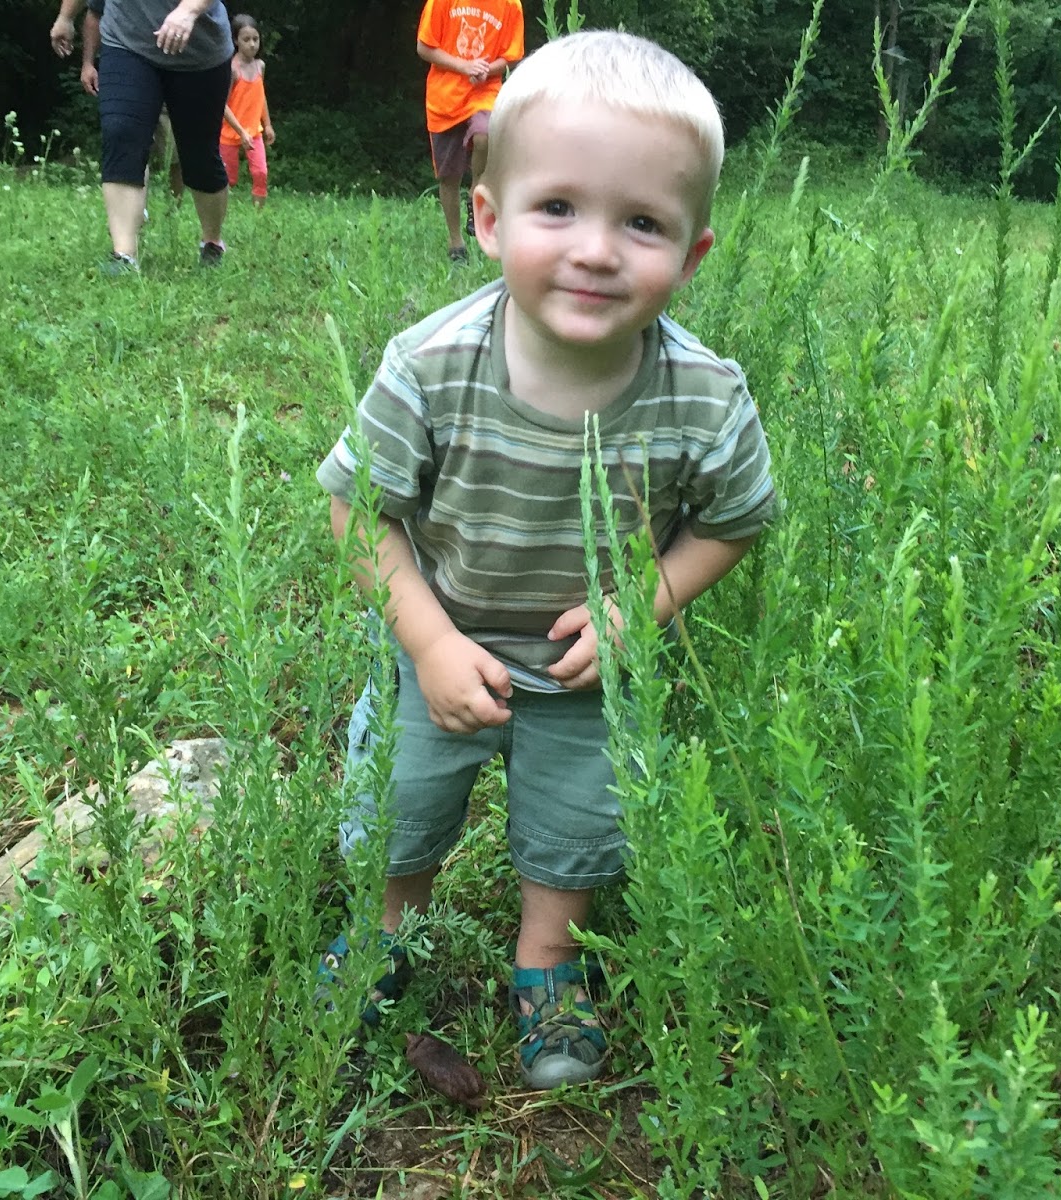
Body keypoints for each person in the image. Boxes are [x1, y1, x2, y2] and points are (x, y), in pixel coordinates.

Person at [316, 30, 778, 1089]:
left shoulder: (705, 397)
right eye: (558, 207)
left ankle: (549, 966)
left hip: (586, 670)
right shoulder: (432, 365)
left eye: (643, 222)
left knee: (578, 822)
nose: (597, 249)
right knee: (400, 809)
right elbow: (356, 510)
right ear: (489, 219)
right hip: (441, 643)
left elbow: (735, 521)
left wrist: (640, 608)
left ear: (693, 255)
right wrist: (428, 642)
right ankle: (386, 935)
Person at [49, 0, 232, 272]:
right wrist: (66, 16)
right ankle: (124, 255)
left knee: (199, 156)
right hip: (126, 42)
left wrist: (188, 11)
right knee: (121, 133)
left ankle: (212, 243)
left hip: (199, 53)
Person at [415, 0, 524, 263]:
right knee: (448, 178)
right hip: (444, 101)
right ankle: (456, 244)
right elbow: (424, 47)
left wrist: (486, 70)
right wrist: (464, 67)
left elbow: (512, 56)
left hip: (484, 91)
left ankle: (477, 186)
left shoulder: (510, 4)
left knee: (485, 134)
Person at [76, 0, 185, 203]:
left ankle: (174, 207)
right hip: (128, 67)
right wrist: (88, 63)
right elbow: (95, 13)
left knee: (175, 152)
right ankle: (136, 212)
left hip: (174, 69)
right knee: (129, 141)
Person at [220, 13, 273, 208]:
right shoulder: (232, 69)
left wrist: (267, 124)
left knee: (261, 173)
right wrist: (240, 131)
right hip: (230, 132)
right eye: (246, 39)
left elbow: (261, 96)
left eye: (255, 39)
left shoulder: (260, 66)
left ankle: (258, 215)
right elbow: (222, 105)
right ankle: (221, 213)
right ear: (236, 41)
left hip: (254, 132)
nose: (252, 44)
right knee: (228, 178)